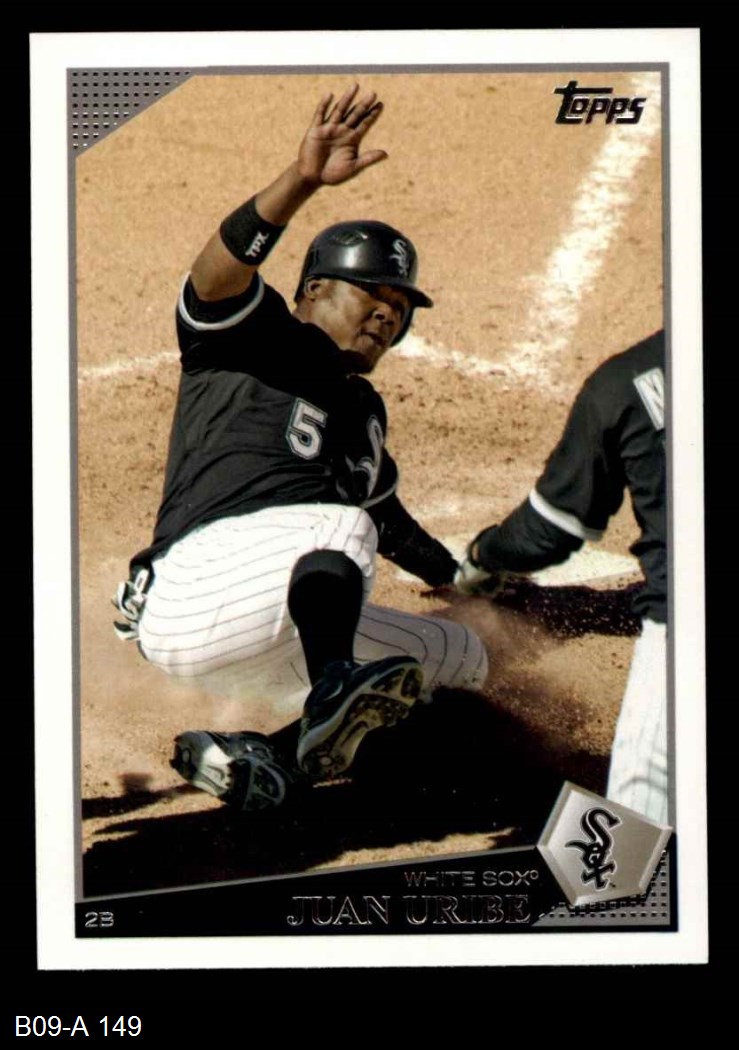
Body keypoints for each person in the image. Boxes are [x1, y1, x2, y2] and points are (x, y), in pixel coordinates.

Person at [113, 85, 488, 812]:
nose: (387, 317)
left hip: (271, 623)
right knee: (342, 527)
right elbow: (214, 273)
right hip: (195, 589)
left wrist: (466, 580)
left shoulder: (362, 410)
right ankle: (333, 685)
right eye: (372, 296)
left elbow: (392, 521)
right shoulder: (252, 337)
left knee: (454, 658)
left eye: (399, 310)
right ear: (313, 290)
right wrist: (302, 181)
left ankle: (266, 756)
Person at [455, 330, 668, 824]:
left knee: (626, 842)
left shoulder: (626, 380)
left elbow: (546, 534)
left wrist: (485, 557)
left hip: (683, 635)